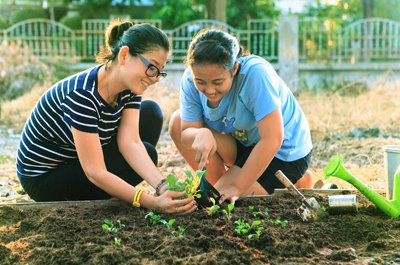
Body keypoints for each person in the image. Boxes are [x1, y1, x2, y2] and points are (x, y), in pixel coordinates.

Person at [16, 20, 196, 214]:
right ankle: (104, 194)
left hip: (78, 160)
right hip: (46, 179)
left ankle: (110, 192)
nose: (153, 78)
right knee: (148, 153)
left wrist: (162, 187)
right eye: (151, 67)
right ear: (125, 55)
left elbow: (131, 143)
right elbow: (95, 171)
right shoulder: (82, 94)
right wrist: (148, 202)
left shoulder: (129, 88)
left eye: (159, 72)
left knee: (150, 113)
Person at [169, 29, 313, 204]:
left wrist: (237, 187)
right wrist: (200, 134)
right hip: (244, 142)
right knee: (177, 121)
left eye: (218, 82)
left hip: (283, 151)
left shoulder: (256, 74)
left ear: (235, 68)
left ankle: (299, 180)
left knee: (232, 201)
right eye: (201, 82)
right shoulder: (190, 80)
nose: (209, 90)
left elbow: (273, 138)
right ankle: (222, 184)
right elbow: (185, 133)